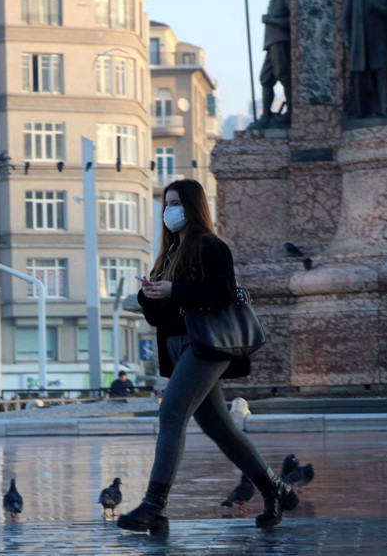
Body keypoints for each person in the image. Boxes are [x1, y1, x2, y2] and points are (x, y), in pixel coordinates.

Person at [116, 179, 298, 535]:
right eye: (166, 204)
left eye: (177, 203)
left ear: (193, 207)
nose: (170, 210)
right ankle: (275, 489)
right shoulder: (168, 253)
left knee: (170, 414)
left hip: (206, 347)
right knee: (221, 429)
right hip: (177, 347)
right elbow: (158, 317)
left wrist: (175, 290)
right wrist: (149, 295)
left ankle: (154, 505)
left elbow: (221, 293)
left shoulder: (211, 246)